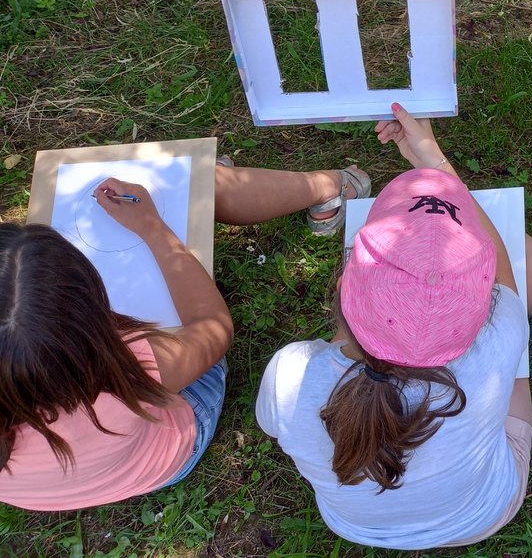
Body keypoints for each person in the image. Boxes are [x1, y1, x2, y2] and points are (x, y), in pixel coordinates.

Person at [255, 103, 532, 550]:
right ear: (481, 303)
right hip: (483, 511)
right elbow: (501, 262)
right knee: (509, 243)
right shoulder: (498, 337)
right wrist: (435, 160)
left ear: (344, 283)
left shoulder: (290, 376)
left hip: (356, 526)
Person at [0, 160, 369, 511]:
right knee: (201, 186)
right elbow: (213, 327)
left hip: (68, 487)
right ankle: (331, 187)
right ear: (86, 314)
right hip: (167, 455)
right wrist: (152, 227)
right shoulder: (124, 370)